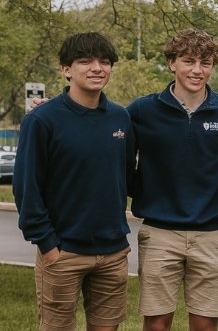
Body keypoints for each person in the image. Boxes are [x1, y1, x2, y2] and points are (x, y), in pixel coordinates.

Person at [128, 29, 218, 331]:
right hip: (160, 232)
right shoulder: (142, 110)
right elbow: (108, 140)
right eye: (188, 61)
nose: (197, 70)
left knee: (204, 325)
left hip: (211, 233)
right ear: (172, 63)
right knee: (157, 323)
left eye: (206, 63)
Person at [15, 32, 133, 331]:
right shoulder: (42, 120)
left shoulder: (120, 118)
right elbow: (27, 189)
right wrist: (48, 245)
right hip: (63, 252)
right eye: (85, 61)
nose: (97, 68)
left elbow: (126, 176)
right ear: (66, 69)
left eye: (104, 62)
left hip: (113, 251)